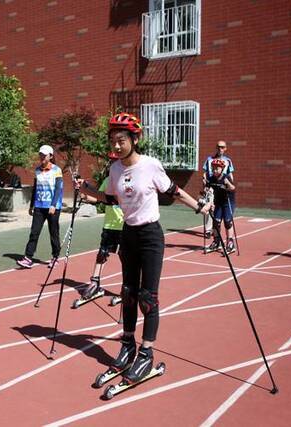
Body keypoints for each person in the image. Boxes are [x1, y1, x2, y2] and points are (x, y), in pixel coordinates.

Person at [76, 112, 211, 384]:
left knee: (148, 297)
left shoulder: (150, 165)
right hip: (128, 235)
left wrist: (200, 206)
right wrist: (88, 190)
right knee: (128, 293)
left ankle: (146, 353)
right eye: (113, 140)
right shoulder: (115, 169)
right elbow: (111, 198)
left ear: (134, 139)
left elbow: (173, 190)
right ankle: (127, 344)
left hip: (150, 236)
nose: (116, 145)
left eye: (121, 140)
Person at [77, 152, 124, 302]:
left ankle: (128, 287)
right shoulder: (108, 180)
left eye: (115, 161)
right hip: (109, 225)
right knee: (102, 254)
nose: (111, 164)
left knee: (126, 258)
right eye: (110, 161)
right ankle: (94, 283)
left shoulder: (128, 181)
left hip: (125, 226)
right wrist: (83, 193)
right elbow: (97, 197)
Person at [17, 145, 63, 269]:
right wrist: (32, 205)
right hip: (39, 206)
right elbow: (35, 188)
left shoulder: (57, 170)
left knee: (53, 233)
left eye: (44, 155)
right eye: (40, 155)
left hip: (53, 207)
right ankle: (28, 257)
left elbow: (58, 189)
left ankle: (55, 257)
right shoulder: (37, 170)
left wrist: (53, 205)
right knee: (34, 232)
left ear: (51, 156)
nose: (42, 157)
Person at [202, 140, 234, 238]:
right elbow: (205, 173)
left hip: (222, 186)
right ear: (216, 148)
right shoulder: (209, 159)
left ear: (225, 148)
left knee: (221, 216)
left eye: (222, 147)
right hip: (212, 186)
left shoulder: (228, 160)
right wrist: (204, 183)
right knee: (208, 206)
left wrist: (230, 185)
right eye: (219, 147)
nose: (220, 149)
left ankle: (220, 234)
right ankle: (208, 230)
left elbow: (230, 174)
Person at [205, 158, 237, 253]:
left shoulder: (226, 177)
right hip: (218, 202)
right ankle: (216, 242)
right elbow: (207, 189)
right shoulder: (211, 178)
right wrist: (206, 189)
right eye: (213, 168)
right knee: (216, 222)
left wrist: (228, 184)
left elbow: (233, 188)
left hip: (228, 202)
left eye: (217, 168)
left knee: (227, 222)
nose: (215, 170)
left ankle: (230, 243)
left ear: (222, 169)